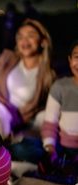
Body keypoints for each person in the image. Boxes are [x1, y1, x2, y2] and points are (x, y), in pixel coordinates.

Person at [0, 18, 56, 139]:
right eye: (20, 37)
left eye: (30, 36)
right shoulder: (7, 58)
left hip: (20, 122)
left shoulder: (49, 74)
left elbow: (43, 106)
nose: (24, 41)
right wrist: (6, 107)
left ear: (43, 41)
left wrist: (18, 118)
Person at [41, 40, 78, 175]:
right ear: (69, 60)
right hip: (64, 148)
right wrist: (50, 149)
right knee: (23, 148)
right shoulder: (60, 87)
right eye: (77, 57)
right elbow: (50, 124)